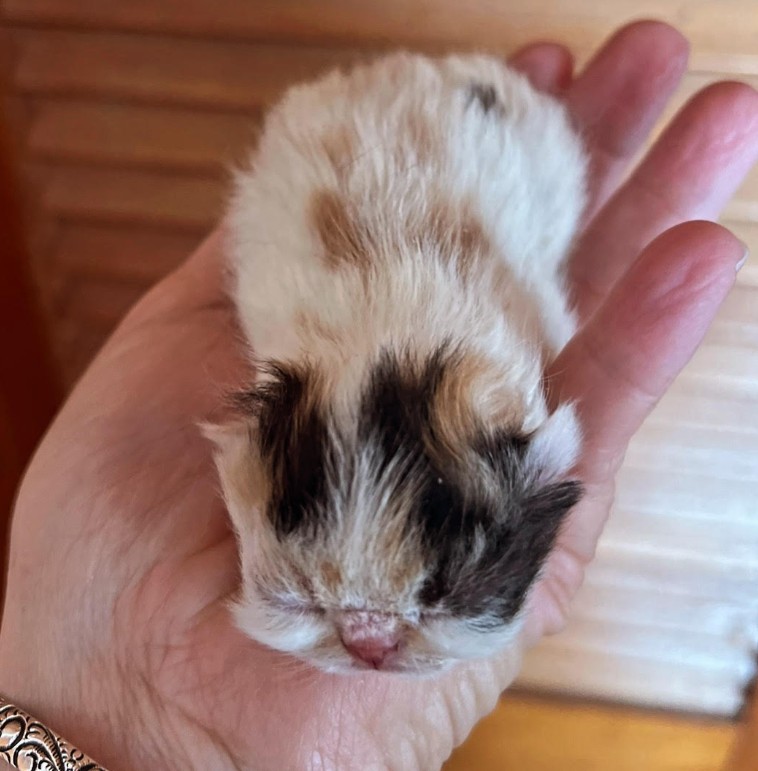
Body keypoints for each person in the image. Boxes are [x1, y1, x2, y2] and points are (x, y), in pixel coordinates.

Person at [0, 20, 756, 771]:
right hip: (439, 130)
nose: (369, 646)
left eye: (304, 598)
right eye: (298, 600)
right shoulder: (510, 354)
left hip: (431, 133)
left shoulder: (504, 370)